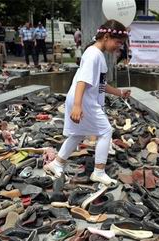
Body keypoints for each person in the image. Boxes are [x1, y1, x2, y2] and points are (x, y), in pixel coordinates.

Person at [43, 19, 131, 186]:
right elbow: (82, 81)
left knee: (77, 134)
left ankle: (57, 163)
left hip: (82, 100)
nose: (119, 47)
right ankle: (98, 172)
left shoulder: (96, 54)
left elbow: (100, 85)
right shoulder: (93, 55)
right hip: (83, 101)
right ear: (106, 36)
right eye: (118, 42)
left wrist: (119, 93)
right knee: (105, 131)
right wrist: (77, 106)